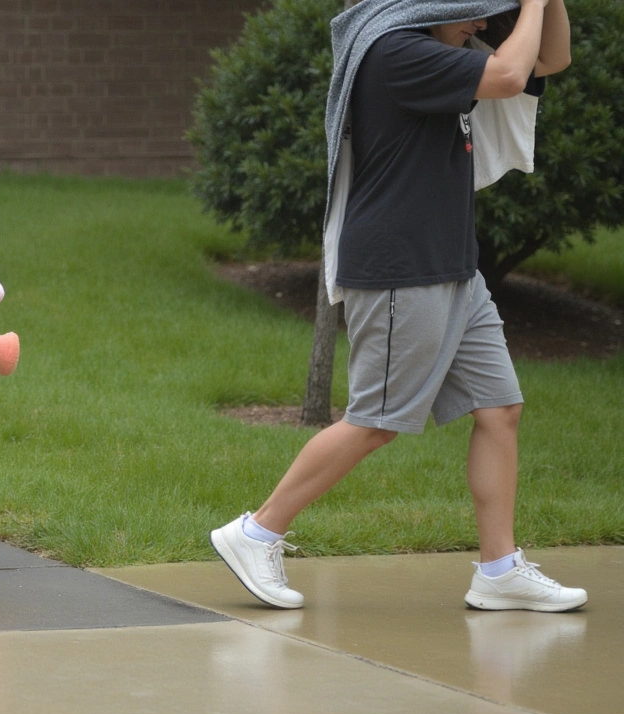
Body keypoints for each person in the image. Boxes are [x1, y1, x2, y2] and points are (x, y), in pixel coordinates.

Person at [211, 0, 587, 612]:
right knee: (376, 420)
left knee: (500, 410)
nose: (482, 25)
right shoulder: (397, 52)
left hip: (454, 267)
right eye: (474, 12)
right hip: (400, 270)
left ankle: (498, 569)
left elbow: (552, 57)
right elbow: (511, 77)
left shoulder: (448, 44)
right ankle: (255, 533)